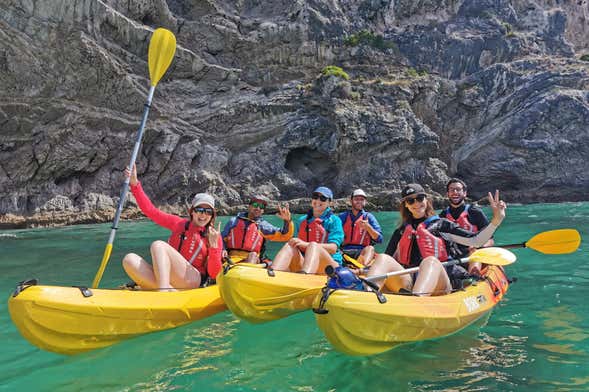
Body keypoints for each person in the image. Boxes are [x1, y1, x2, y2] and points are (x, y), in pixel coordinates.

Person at [367, 183, 506, 296]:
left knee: (430, 262)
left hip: (441, 283)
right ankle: (368, 296)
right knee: (383, 258)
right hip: (409, 281)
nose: (416, 203)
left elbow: (476, 241)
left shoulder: (442, 224)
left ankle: (417, 303)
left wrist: (496, 220)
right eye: (410, 200)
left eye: (420, 198)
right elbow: (389, 258)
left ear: (426, 201)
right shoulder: (401, 230)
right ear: (406, 206)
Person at [121, 165, 222, 291]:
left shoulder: (213, 236)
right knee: (129, 260)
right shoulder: (178, 224)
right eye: (199, 210)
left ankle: (162, 291)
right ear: (192, 212)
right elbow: (150, 211)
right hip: (172, 279)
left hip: (193, 280)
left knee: (158, 245)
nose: (203, 215)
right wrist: (135, 184)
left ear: (212, 215)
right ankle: (168, 289)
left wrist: (214, 247)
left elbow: (214, 273)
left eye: (208, 212)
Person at [271, 186, 344, 274]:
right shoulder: (302, 220)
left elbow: (333, 248)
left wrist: (306, 245)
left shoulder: (335, 221)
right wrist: (287, 222)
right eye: (315, 197)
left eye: (323, 198)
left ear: (329, 203)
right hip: (305, 262)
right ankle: (272, 273)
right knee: (290, 245)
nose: (318, 200)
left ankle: (305, 277)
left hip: (329, 267)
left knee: (313, 246)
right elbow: (295, 243)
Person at [440, 178, 494, 274]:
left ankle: (473, 278)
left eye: (458, 189)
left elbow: (490, 239)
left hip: (472, 254)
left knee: (474, 251)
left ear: (464, 193)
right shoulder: (443, 215)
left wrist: (479, 246)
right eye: (452, 190)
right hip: (452, 256)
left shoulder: (475, 212)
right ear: (447, 194)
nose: (455, 192)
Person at [221, 195, 293, 263]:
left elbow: (284, 235)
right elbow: (221, 238)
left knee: (253, 255)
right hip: (230, 258)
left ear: (263, 211)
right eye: (255, 205)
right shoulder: (233, 221)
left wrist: (287, 221)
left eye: (261, 207)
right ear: (249, 207)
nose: (258, 208)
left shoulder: (263, 226)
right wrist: (223, 249)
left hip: (253, 259)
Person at [338, 189, 383, 267]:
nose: (359, 202)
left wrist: (369, 228)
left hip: (362, 251)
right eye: (356, 199)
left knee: (370, 248)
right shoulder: (343, 217)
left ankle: (361, 268)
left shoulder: (369, 217)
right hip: (344, 251)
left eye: (362, 199)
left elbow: (380, 239)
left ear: (365, 202)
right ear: (351, 201)